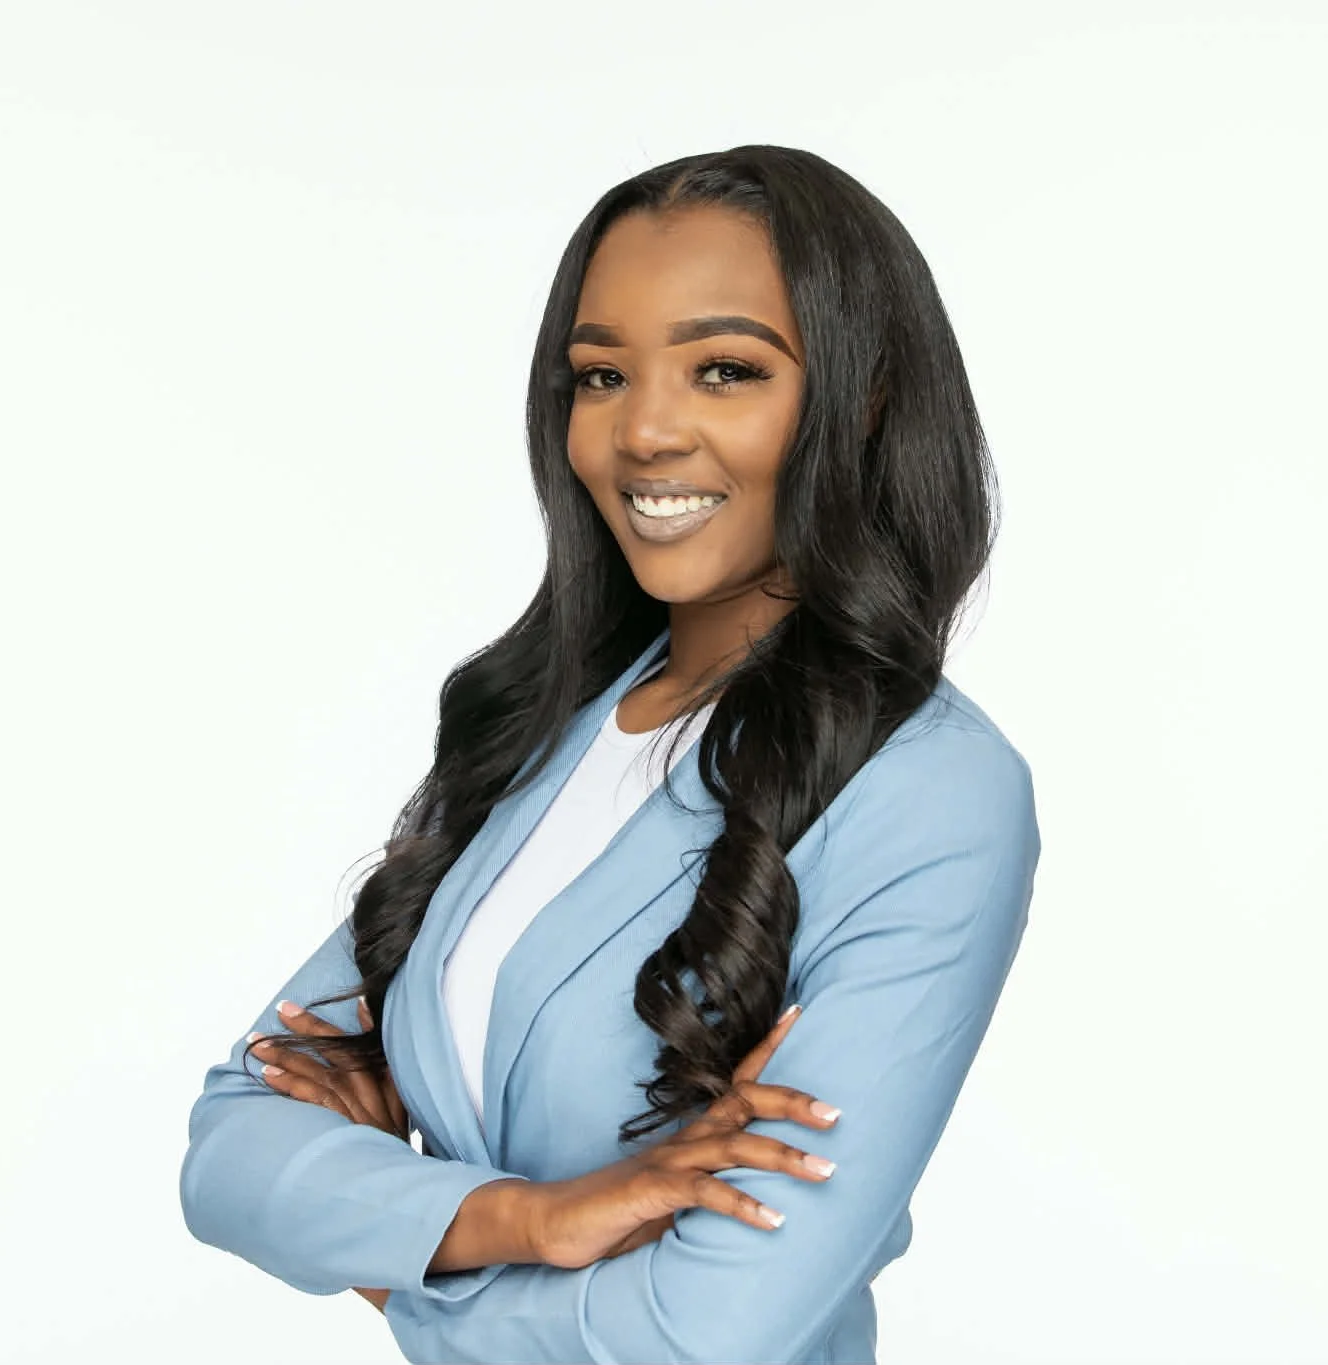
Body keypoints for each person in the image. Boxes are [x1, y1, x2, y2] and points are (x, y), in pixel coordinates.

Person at [179, 143, 1042, 1363]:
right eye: (598, 377)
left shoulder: (930, 791)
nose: (642, 433)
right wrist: (532, 1220)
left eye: (725, 370)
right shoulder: (539, 726)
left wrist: (394, 1270)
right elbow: (228, 1149)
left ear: (864, 402)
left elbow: (706, 1336)